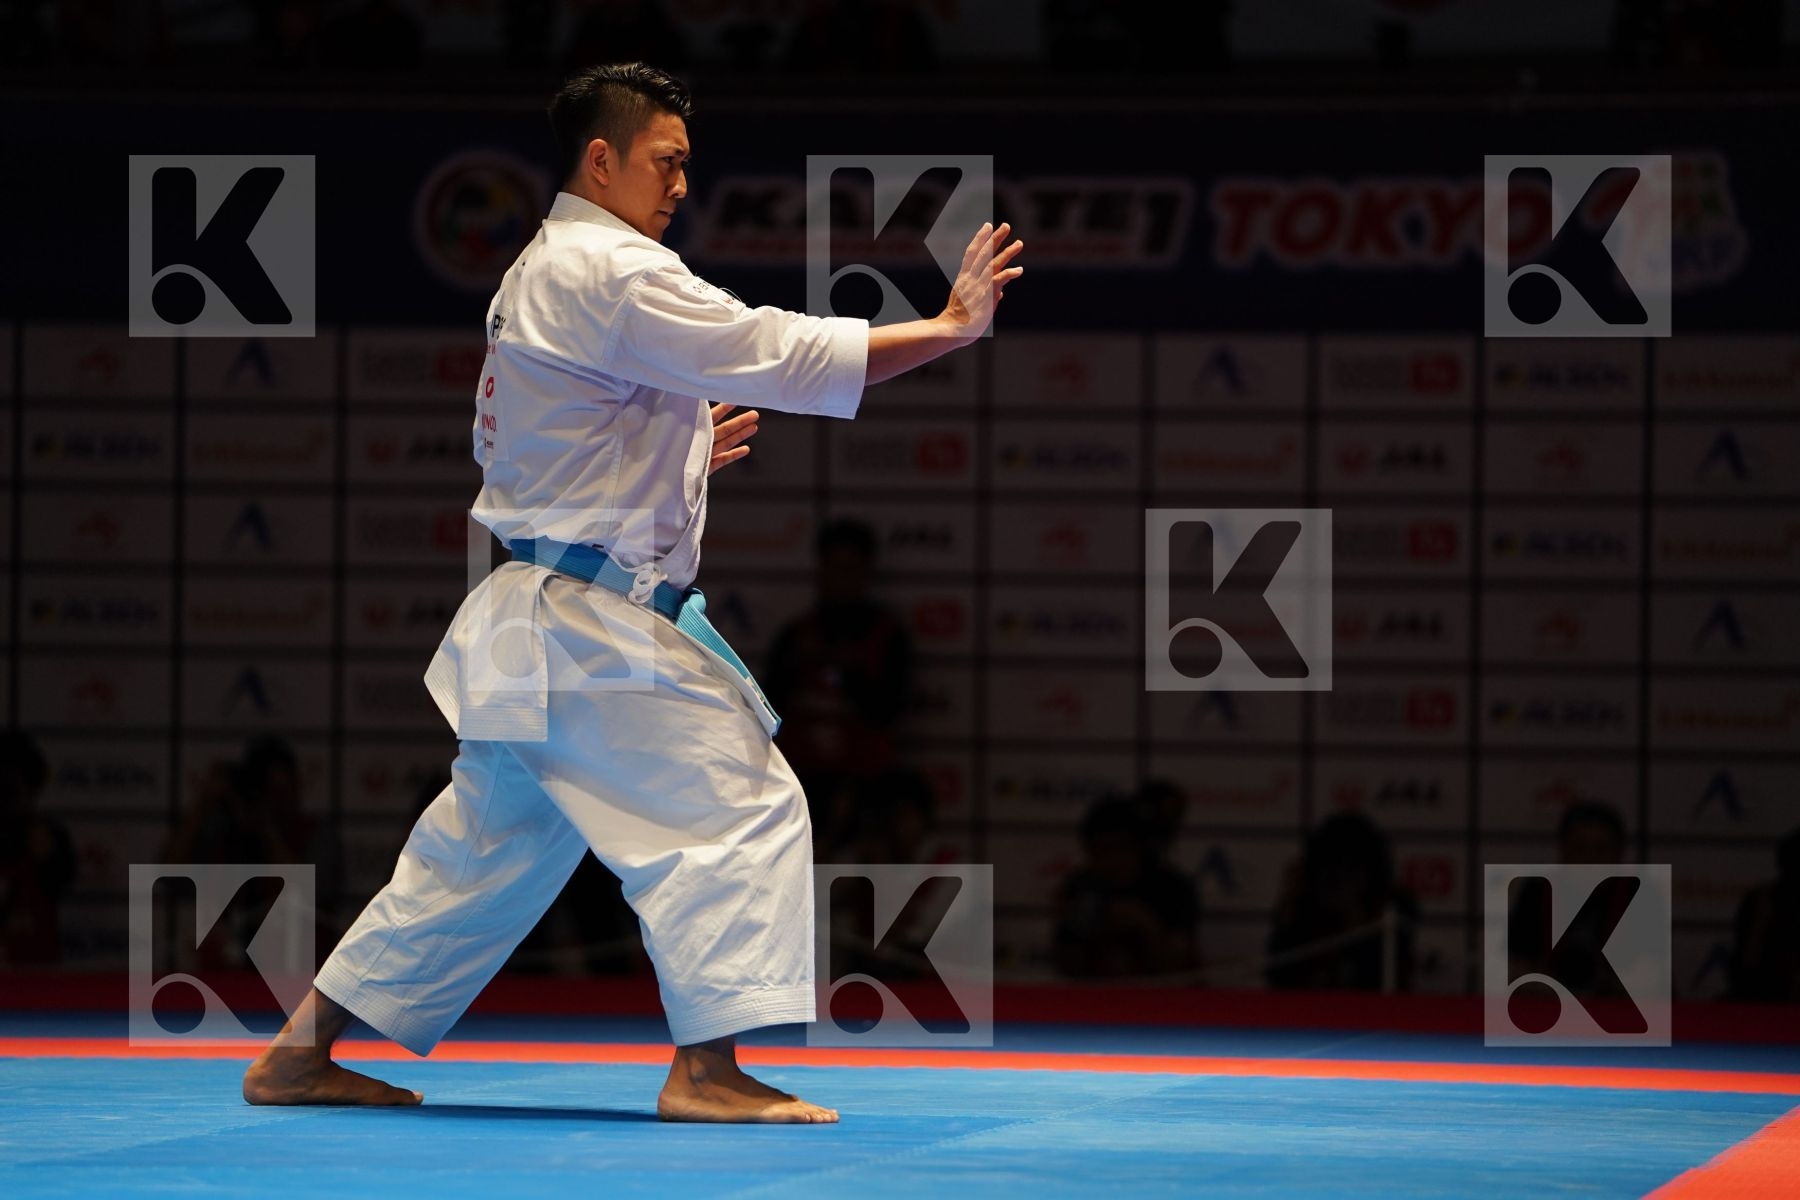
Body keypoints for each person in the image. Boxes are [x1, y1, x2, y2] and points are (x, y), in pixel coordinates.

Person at [242, 61, 1023, 1124]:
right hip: (584, 627)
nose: (682, 186)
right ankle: (705, 1071)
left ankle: (299, 1052)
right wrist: (944, 331)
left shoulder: (535, 272)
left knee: (483, 851)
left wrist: (685, 445)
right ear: (601, 159)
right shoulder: (614, 268)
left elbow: (546, 442)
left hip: (530, 611)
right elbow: (774, 350)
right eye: (668, 162)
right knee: (743, 804)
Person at [763, 517, 913, 852]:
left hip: (867, 796)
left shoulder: (887, 637)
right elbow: (766, 711)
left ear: (866, 572)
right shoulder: (795, 637)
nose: (841, 579)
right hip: (798, 790)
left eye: (851, 569)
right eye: (834, 568)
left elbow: (889, 710)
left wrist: (842, 673)